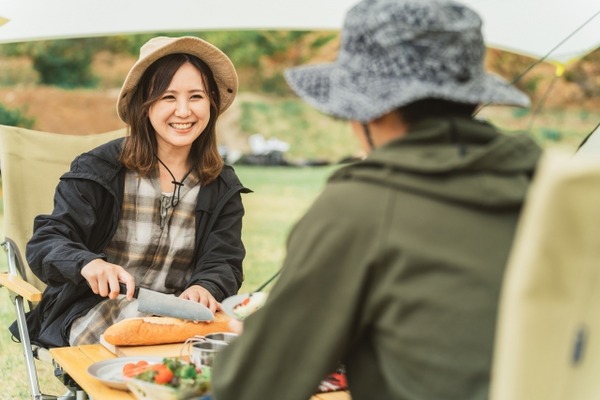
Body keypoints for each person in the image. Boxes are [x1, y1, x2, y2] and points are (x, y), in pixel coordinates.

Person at [212, 1, 542, 399]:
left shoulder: (361, 205)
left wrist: (262, 339)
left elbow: (252, 385)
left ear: (370, 111)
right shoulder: (546, 180)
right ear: (471, 99)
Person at [11, 36, 251, 348]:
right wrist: (88, 263)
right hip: (97, 311)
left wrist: (207, 285)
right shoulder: (99, 169)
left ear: (211, 104)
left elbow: (225, 259)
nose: (183, 111)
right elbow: (48, 240)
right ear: (143, 105)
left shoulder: (221, 184)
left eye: (196, 96)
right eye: (167, 97)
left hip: (180, 316)